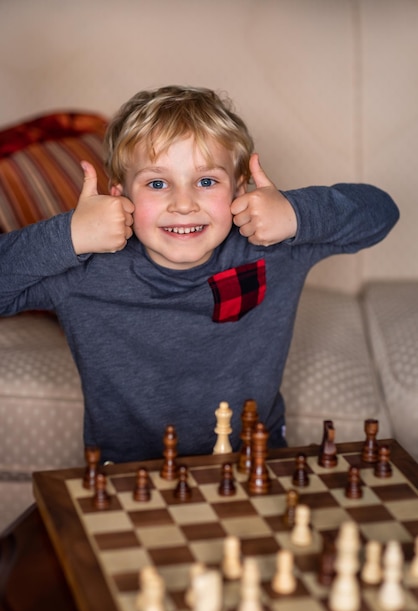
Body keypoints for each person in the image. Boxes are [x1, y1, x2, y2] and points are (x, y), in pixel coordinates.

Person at [0, 85, 399, 463]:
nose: (184, 203)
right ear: (119, 195)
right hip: (124, 474)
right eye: (157, 183)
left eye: (207, 181)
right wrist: (68, 235)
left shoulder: (271, 247)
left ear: (240, 191)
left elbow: (381, 212)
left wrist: (295, 213)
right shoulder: (85, 270)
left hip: (255, 458)